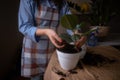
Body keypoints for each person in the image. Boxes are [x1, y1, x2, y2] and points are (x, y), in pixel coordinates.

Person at [18, 0, 86, 80]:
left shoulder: (62, 3)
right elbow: (24, 26)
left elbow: (70, 23)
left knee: (50, 75)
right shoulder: (28, 1)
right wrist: (46, 31)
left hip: (51, 48)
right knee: (36, 77)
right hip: (33, 49)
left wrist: (77, 33)